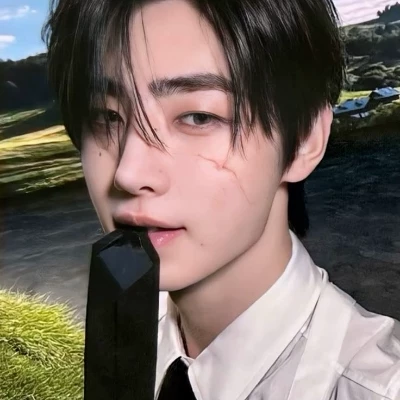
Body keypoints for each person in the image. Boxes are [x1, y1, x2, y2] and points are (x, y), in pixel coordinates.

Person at [42, 0, 400, 399]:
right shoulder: (123, 327)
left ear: (304, 138)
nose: (129, 173)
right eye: (106, 117)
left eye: (198, 117)